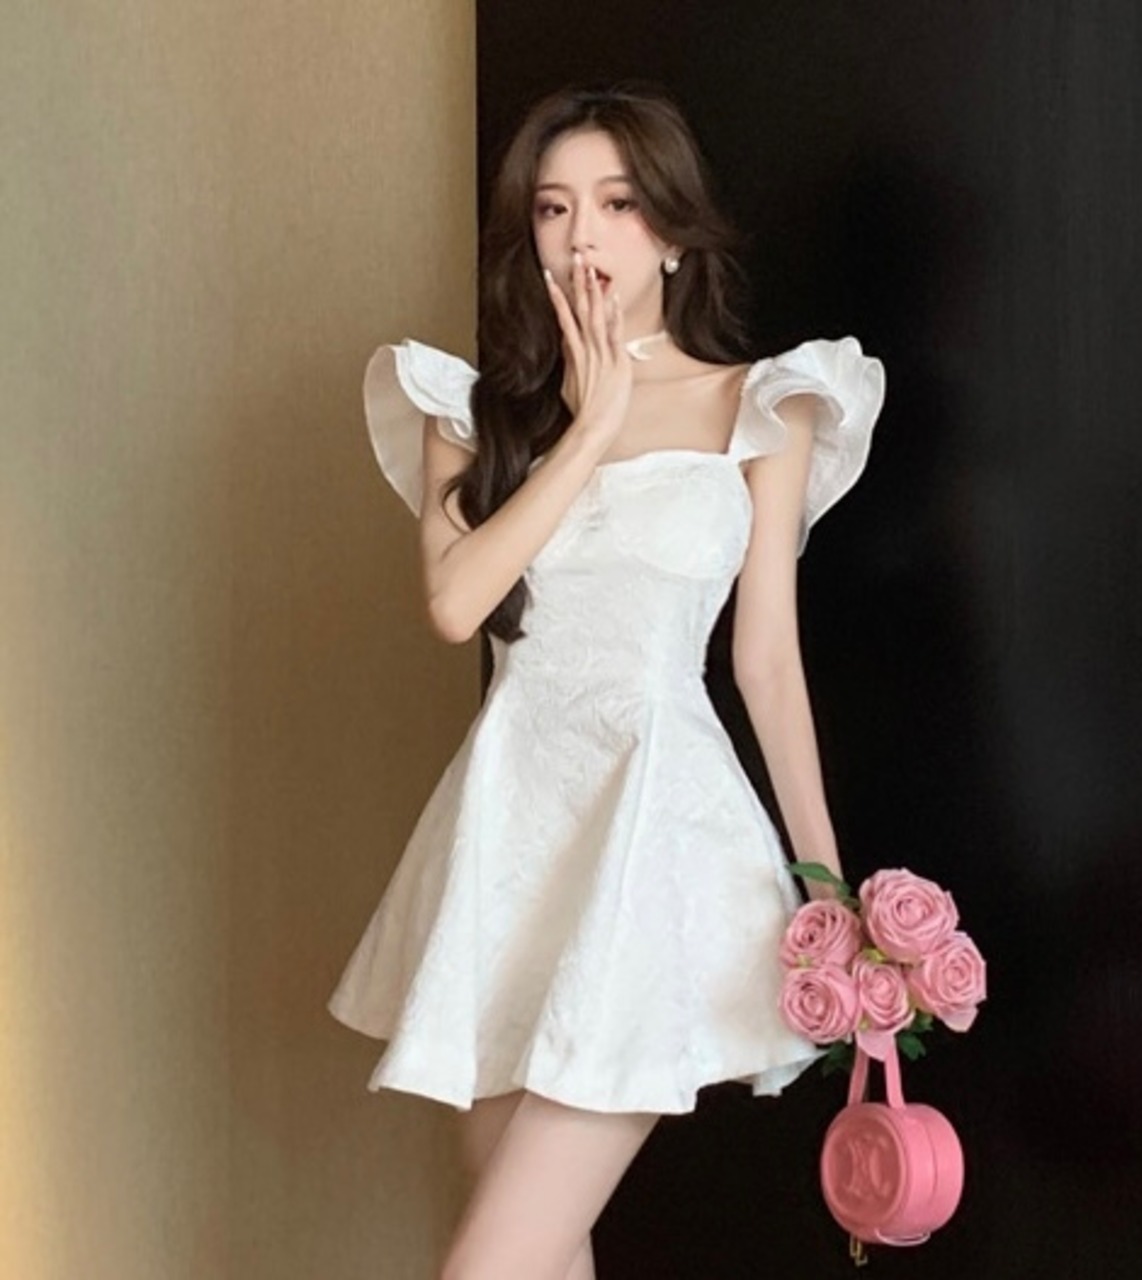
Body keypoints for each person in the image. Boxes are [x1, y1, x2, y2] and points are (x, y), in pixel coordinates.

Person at [328, 82, 886, 1280]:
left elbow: (764, 662)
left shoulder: (761, 405)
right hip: (508, 838)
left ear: (673, 233)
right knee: (540, 1254)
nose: (582, 236)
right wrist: (586, 430)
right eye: (552, 208)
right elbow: (455, 605)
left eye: (618, 204)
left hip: (653, 833)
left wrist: (828, 890)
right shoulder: (470, 411)